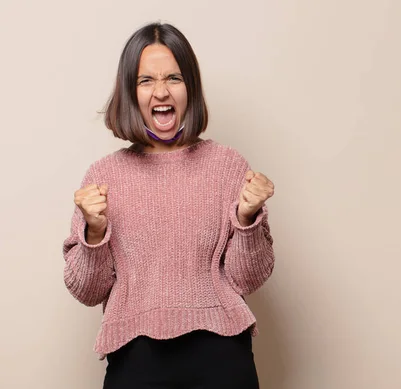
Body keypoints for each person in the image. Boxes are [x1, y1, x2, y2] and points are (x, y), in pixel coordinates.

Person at [62, 22, 275, 389]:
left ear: (189, 87)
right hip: (136, 359)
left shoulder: (228, 166)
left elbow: (247, 279)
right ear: (131, 92)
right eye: (146, 81)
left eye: (173, 77)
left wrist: (247, 219)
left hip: (222, 355)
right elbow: (86, 290)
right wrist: (94, 232)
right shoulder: (103, 175)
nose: (161, 91)